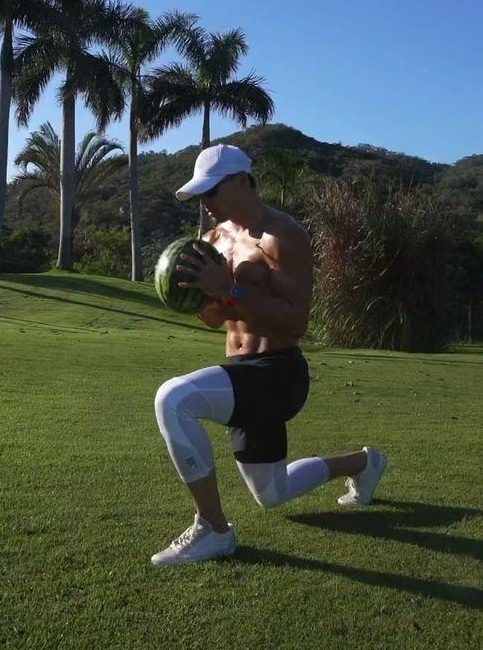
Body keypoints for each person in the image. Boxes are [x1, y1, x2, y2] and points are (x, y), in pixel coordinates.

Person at [151, 144, 387, 566]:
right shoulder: (212, 240)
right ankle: (363, 463)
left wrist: (230, 289)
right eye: (200, 195)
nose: (205, 203)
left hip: (278, 373)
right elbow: (215, 318)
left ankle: (213, 530)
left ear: (242, 181)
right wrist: (196, 294)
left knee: (173, 399)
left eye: (211, 191)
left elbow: (295, 322)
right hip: (242, 370)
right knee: (272, 493)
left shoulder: (283, 235)